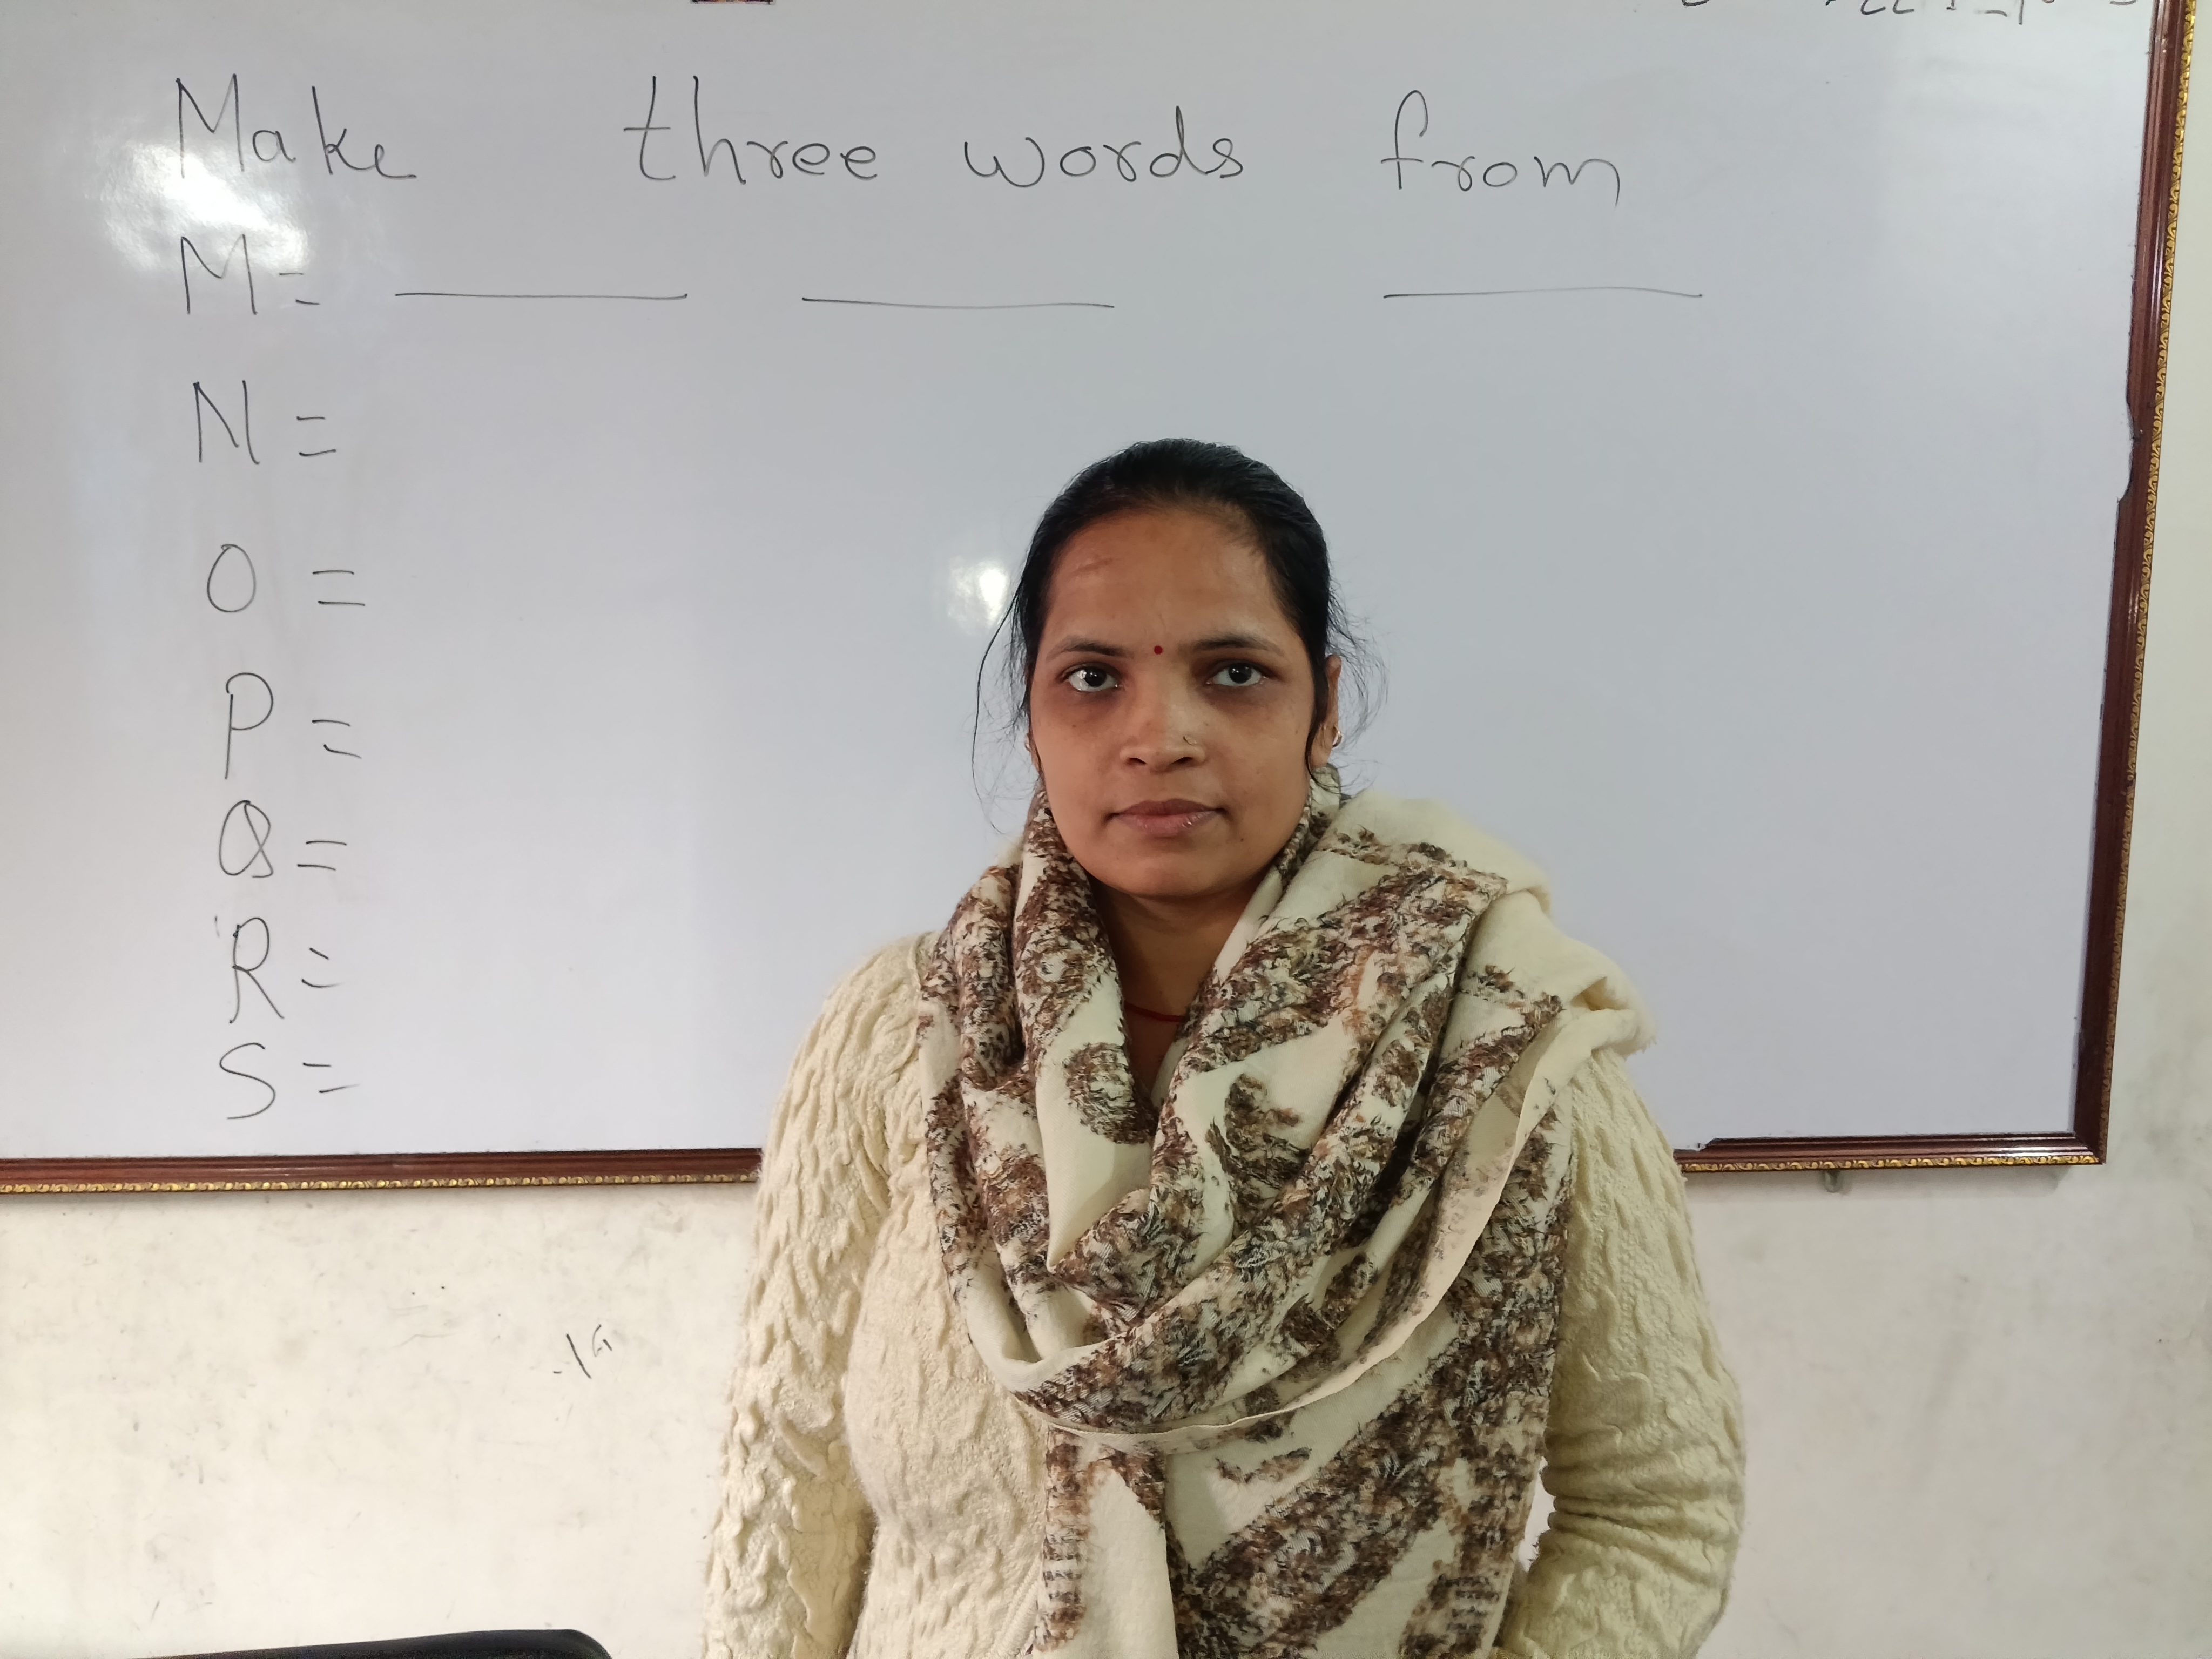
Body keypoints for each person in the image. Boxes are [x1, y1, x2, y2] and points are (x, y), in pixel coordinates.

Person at [704, 440, 1744, 1659]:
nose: (1160, 734)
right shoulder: (902, 1033)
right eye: (1093, 678)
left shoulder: (1499, 1043)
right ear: (1032, 718)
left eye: (1234, 672)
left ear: (1324, 706)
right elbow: (788, 1469)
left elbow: (1656, 1506)